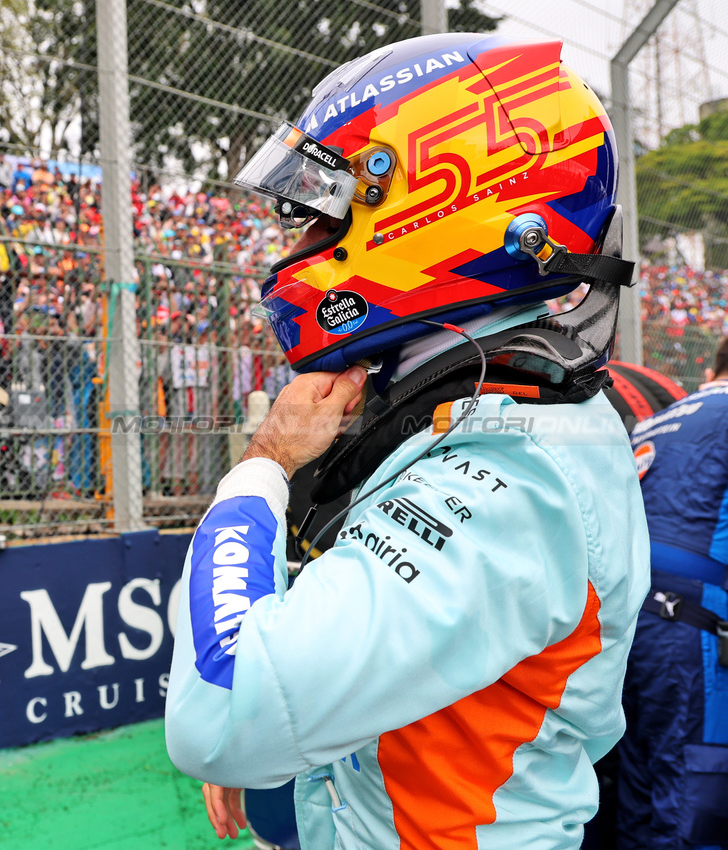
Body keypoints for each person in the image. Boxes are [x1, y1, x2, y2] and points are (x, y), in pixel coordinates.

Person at [164, 33, 649, 848]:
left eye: (320, 217)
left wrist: (261, 467)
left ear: (437, 204)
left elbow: (223, 708)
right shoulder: (481, 403)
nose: (291, 251)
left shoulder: (513, 467)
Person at [616, 336, 728, 849]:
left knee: (640, 792)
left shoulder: (658, 418)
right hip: (696, 637)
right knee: (693, 800)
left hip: (629, 627)